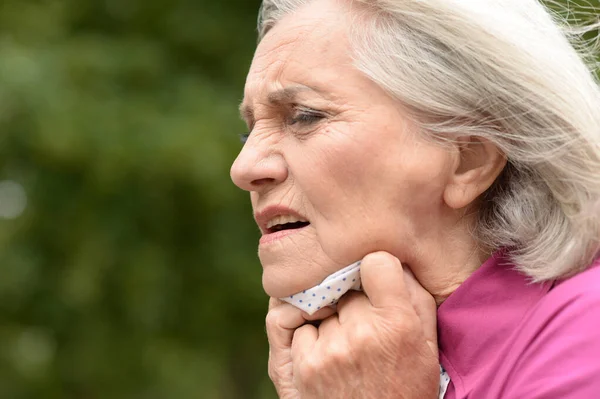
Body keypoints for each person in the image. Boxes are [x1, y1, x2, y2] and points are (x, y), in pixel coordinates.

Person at [230, 0, 600, 397]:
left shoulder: (586, 327)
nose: (244, 167)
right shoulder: (346, 365)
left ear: (469, 158)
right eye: (248, 133)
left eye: (304, 116)